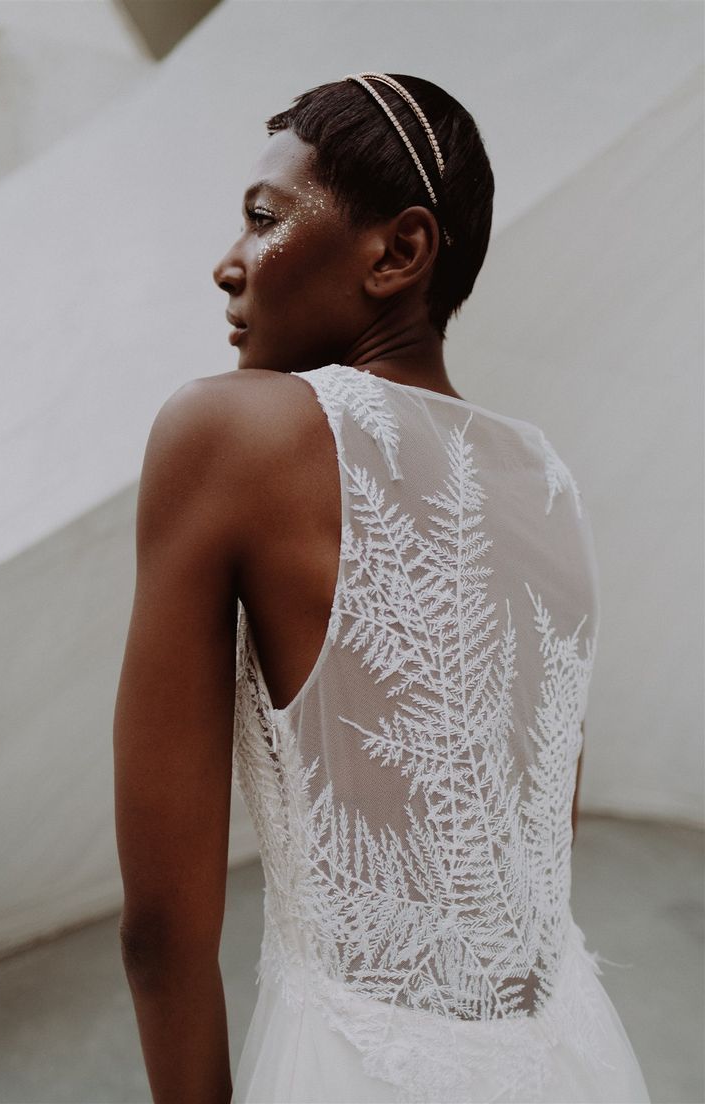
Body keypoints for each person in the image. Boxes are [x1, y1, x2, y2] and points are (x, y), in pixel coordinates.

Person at [113, 73, 651, 1104]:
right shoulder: (548, 479)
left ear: (399, 253)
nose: (228, 267)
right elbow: (531, 850)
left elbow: (162, 930)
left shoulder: (232, 432)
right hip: (568, 1058)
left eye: (264, 221)